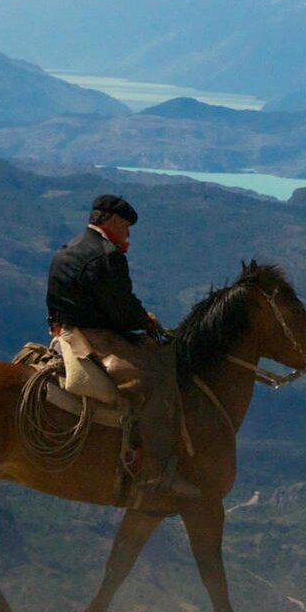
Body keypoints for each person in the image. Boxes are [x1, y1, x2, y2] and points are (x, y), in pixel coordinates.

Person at [45, 193, 199, 502]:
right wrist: (145, 320)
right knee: (154, 383)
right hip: (95, 337)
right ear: (113, 221)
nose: (128, 234)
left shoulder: (68, 248)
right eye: (126, 226)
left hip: (65, 330)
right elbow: (121, 310)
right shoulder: (107, 256)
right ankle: (153, 470)